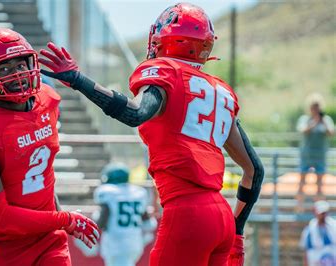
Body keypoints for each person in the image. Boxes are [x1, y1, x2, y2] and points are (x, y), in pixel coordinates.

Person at [39, 3, 264, 265]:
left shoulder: (167, 74)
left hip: (187, 214)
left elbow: (135, 113)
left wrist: (78, 80)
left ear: (162, 40)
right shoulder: (220, 92)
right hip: (223, 217)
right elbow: (254, 170)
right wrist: (236, 232)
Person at [0, 28, 99, 265]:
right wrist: (64, 219)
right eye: (4, 68)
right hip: (2, 248)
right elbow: (0, 219)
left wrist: (59, 217)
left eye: (20, 65)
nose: (17, 74)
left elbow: (41, 177)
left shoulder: (47, 100)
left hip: (48, 241)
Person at [93, 163, 157, 266]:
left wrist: (94, 221)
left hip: (115, 242)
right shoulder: (138, 193)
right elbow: (148, 222)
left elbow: (102, 221)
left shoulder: (107, 193)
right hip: (135, 242)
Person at [296, 94, 334, 207]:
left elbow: (331, 133)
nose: (316, 109)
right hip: (306, 155)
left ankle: (319, 208)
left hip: (320, 156)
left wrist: (323, 122)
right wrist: (315, 123)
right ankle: (299, 207)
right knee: (302, 182)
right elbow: (303, 131)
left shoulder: (326, 120)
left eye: (317, 107)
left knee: (320, 185)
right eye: (314, 107)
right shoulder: (305, 119)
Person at [299, 200, 336, 266]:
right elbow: (306, 251)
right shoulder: (309, 230)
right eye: (321, 213)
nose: (323, 216)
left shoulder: (333, 226)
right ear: (315, 213)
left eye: (324, 213)